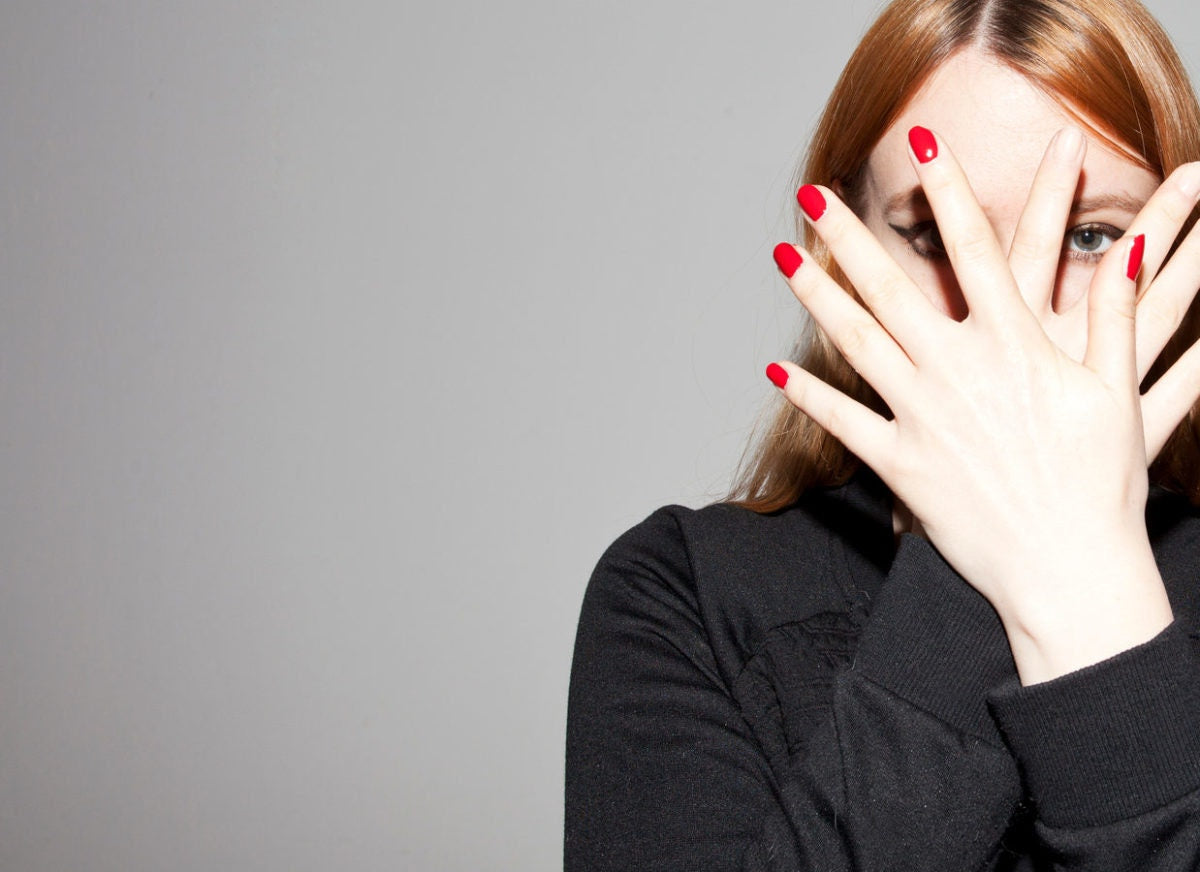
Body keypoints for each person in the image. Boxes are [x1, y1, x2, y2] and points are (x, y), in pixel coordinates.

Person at [565, 0, 1200, 869]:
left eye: (1091, 237)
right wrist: (974, 559)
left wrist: (1093, 600)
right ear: (845, 257)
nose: (1006, 313)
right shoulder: (686, 598)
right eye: (938, 235)